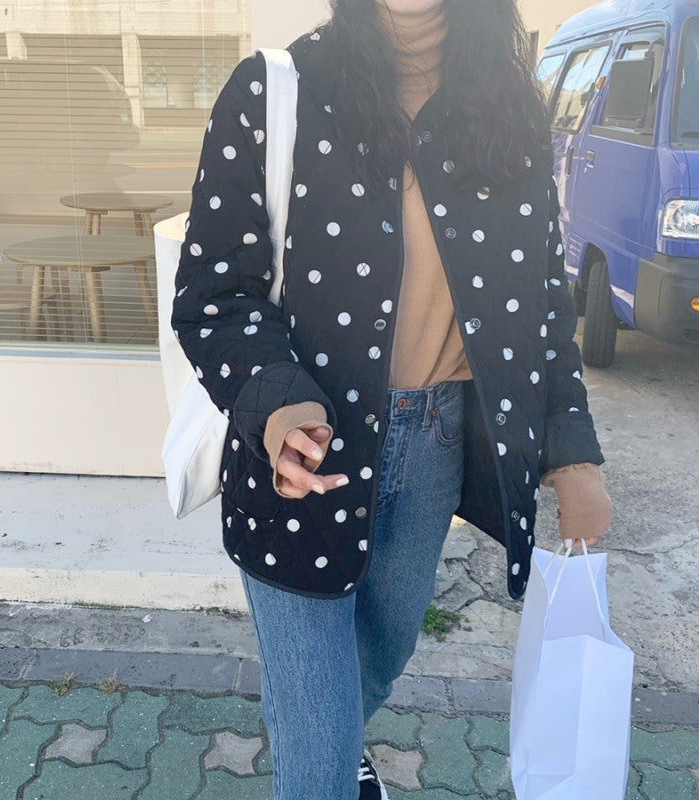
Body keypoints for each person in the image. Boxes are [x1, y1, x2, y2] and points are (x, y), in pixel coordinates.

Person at [172, 0, 613, 797]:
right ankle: (327, 752)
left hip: (437, 446)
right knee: (318, 752)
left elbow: (543, 302)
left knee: (377, 659)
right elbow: (214, 295)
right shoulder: (275, 92)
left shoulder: (505, 104)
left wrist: (572, 455)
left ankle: (334, 736)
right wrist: (281, 406)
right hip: (302, 464)